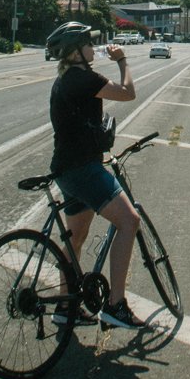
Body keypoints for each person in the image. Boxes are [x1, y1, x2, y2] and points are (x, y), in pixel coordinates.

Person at [45, 20, 144, 329]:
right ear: (76, 52)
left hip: (65, 169)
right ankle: (116, 305)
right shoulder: (84, 78)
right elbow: (128, 93)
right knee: (129, 222)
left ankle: (65, 307)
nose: (93, 46)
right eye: (88, 43)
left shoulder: (66, 78)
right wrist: (122, 60)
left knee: (76, 238)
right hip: (83, 170)